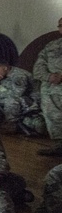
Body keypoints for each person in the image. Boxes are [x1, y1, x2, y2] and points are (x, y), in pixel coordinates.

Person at [0, 61, 43, 134]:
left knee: (11, 100)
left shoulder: (19, 75)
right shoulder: (2, 74)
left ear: (5, 68)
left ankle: (11, 124)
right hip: (10, 95)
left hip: (30, 100)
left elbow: (17, 94)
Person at [34, 17, 62, 156]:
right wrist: (49, 76)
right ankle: (59, 146)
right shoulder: (51, 46)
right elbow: (38, 67)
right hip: (52, 92)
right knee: (54, 119)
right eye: (61, 25)